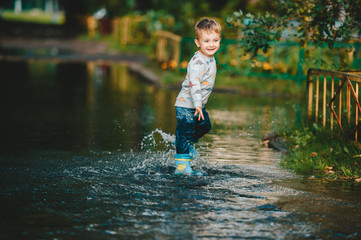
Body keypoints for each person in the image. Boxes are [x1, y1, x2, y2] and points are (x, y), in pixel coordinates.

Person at [174, 17, 222, 175]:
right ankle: (181, 167)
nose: (211, 44)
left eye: (215, 40)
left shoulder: (210, 58)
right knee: (186, 131)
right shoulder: (197, 62)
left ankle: (186, 144)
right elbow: (194, 85)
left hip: (197, 105)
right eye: (206, 41)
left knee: (205, 126)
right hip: (186, 105)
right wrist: (198, 105)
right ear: (197, 42)